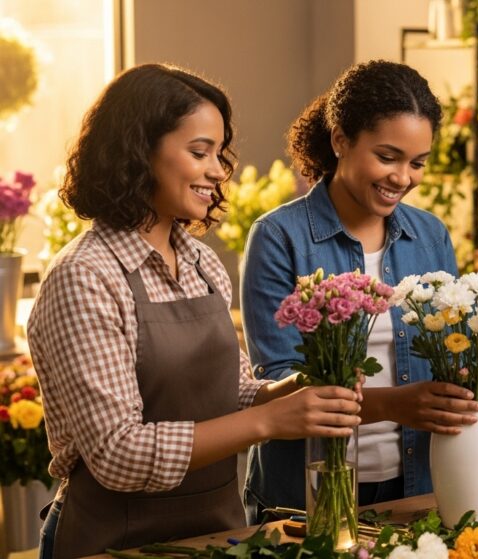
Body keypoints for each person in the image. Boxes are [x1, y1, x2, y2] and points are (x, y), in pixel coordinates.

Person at [28, 64, 362, 559]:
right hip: (116, 540)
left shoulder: (201, 262)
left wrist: (296, 390)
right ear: (137, 151)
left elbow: (235, 390)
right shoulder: (85, 275)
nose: (217, 171)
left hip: (217, 534)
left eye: (219, 154)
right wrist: (272, 423)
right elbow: (119, 454)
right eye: (199, 151)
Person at [241, 60, 478, 520]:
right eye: (387, 157)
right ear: (341, 139)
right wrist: (396, 405)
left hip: (419, 487)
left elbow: (453, 347)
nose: (402, 178)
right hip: (307, 497)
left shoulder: (430, 236)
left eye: (417, 163)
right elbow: (280, 385)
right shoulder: (279, 237)